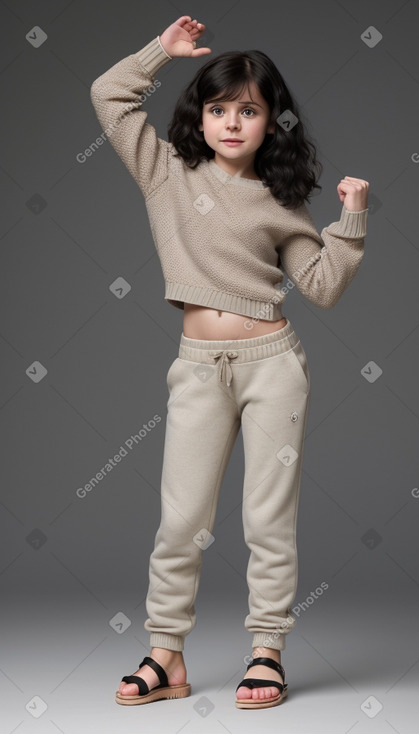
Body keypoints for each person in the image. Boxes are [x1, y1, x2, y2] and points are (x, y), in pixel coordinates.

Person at [90, 15, 369, 710]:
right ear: (200, 116)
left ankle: (267, 652)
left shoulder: (282, 201)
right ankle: (165, 655)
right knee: (181, 518)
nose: (231, 122)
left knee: (266, 519)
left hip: (274, 365)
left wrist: (352, 219)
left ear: (272, 120)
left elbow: (323, 288)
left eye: (248, 109)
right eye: (218, 109)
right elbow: (107, 95)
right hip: (197, 366)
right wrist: (162, 51)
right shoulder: (165, 173)